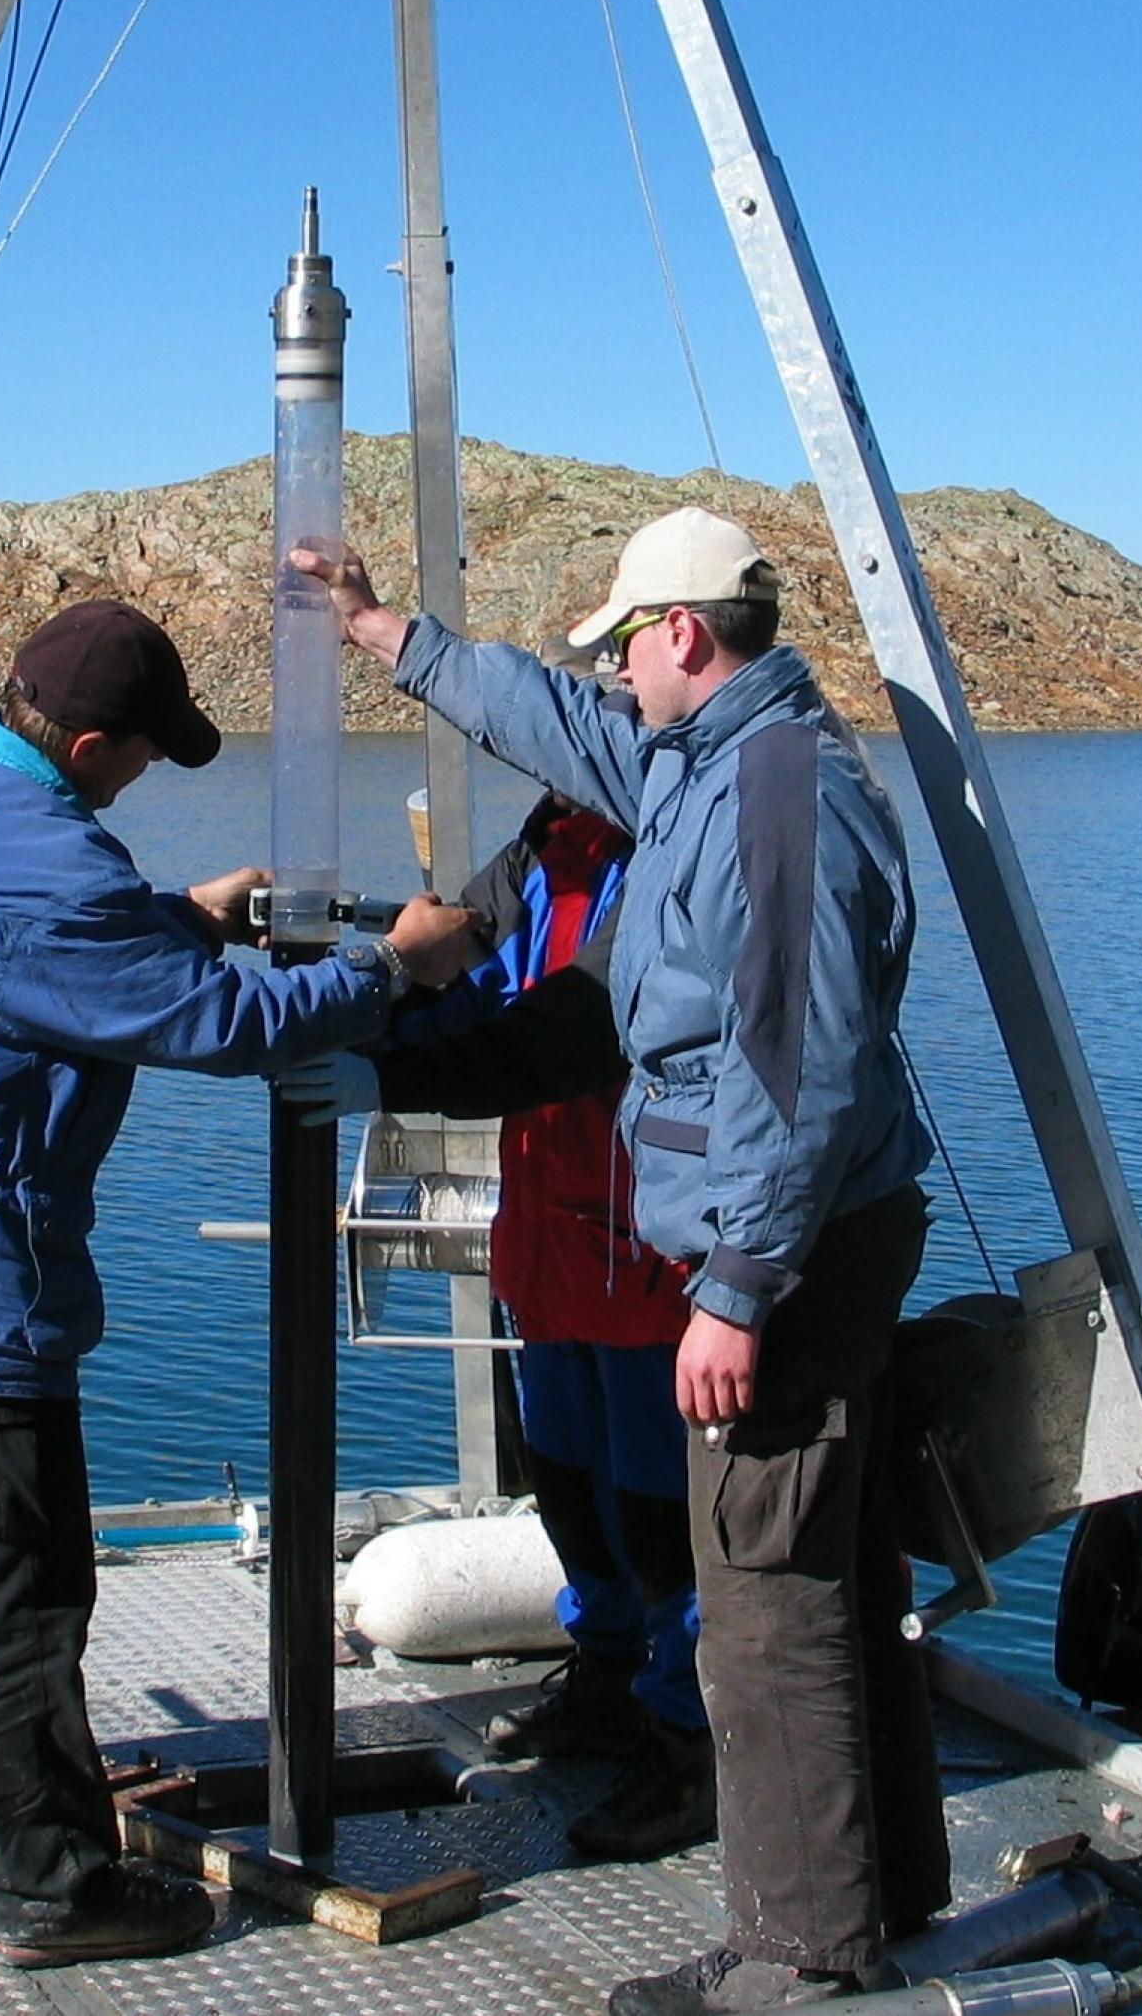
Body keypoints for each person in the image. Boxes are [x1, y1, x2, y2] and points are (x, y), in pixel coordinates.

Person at [294, 511, 950, 2013]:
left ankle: (797, 1952)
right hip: (792, 1236)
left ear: (680, 633)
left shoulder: (774, 796)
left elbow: (798, 1068)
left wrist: (732, 1287)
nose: (611, 675)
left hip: (790, 1251)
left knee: (769, 1598)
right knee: (836, 1573)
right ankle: (882, 1888)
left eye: (622, 644)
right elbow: (559, 715)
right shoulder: (709, 759)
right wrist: (385, 633)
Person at [0, 597, 479, 1970]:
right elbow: (214, 1022)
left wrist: (172, 913)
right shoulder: (43, 863)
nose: (145, 773)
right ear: (88, 742)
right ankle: (52, 1888)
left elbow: (51, 952)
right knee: (16, 1601)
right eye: (141, 755)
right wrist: (391, 967)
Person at [282, 785, 713, 1862]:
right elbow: (468, 976)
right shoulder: (546, 842)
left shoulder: (682, 846)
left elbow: (569, 1031)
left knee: (662, 1509)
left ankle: (691, 1735)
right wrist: (361, 1005)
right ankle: (608, 1672)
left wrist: (385, 1072)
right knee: (564, 1475)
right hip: (551, 1242)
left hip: (642, 1247)